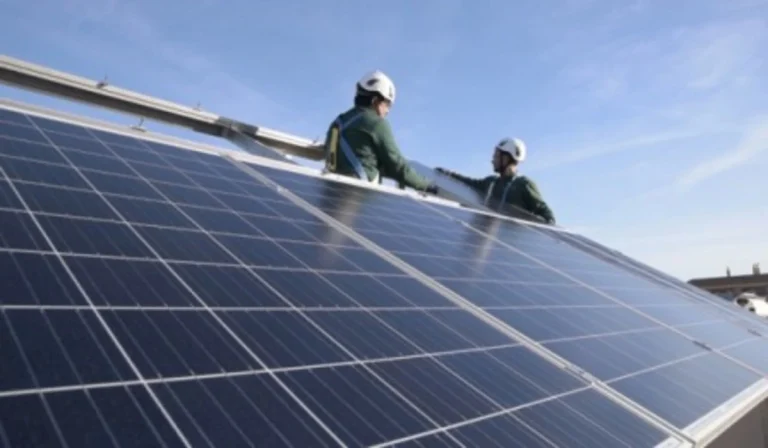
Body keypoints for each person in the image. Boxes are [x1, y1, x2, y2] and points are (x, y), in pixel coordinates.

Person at [323, 70, 438, 194]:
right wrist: (426, 184)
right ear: (376, 100)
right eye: (387, 104)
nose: (388, 111)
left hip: (330, 192)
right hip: (357, 198)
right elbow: (397, 166)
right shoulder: (376, 123)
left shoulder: (337, 123)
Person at [436, 138, 556, 224]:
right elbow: (469, 183)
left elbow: (547, 216)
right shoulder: (491, 182)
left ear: (507, 158)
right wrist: (449, 174)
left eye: (496, 156)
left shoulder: (524, 184)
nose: (493, 160)